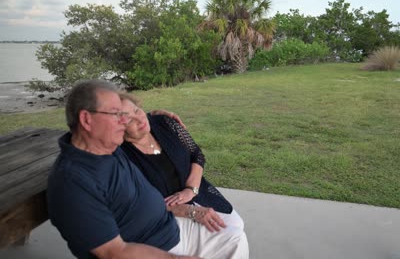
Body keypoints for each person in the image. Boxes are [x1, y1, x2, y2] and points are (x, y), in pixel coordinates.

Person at [47, 79, 249, 259]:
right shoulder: (73, 182)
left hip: (169, 228)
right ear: (86, 120)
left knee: (234, 239)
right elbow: (114, 253)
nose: (125, 122)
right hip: (149, 247)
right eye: (117, 115)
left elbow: (142, 126)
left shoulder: (105, 147)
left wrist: (155, 114)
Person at [119, 93, 244, 231]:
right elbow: (138, 203)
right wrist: (187, 210)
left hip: (199, 192)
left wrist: (191, 189)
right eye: (129, 120)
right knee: (225, 237)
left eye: (137, 110)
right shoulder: (120, 156)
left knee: (236, 225)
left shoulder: (164, 122)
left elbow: (197, 155)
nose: (139, 119)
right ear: (117, 129)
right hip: (168, 215)